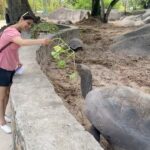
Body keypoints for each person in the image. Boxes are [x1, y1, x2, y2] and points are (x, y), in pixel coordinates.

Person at [0, 12, 51, 134]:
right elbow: (22, 43)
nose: (28, 26)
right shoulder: (10, 31)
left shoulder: (17, 32)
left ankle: (4, 115)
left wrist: (18, 61)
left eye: (30, 25)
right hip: (2, 66)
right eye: (28, 23)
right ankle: (1, 121)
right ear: (21, 19)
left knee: (7, 93)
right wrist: (41, 41)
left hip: (11, 66)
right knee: (1, 96)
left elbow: (15, 48)